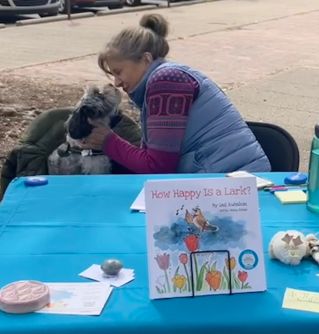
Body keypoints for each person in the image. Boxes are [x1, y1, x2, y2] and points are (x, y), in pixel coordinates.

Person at [82, 13, 271, 174]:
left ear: (146, 59)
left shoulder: (166, 82)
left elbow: (158, 167)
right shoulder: (167, 77)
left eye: (119, 71)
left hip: (235, 188)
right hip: (229, 180)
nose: (116, 82)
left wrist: (108, 141)